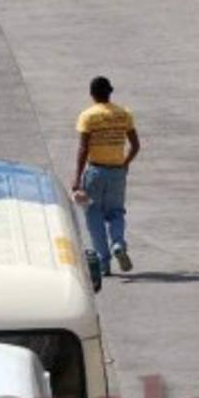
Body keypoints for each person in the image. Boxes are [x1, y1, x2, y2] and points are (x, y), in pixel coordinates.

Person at [73, 76, 140, 277]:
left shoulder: (88, 116)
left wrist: (77, 177)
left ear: (92, 94)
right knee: (116, 212)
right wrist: (125, 164)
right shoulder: (124, 114)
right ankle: (118, 243)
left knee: (94, 215)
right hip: (117, 172)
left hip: (95, 172)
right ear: (110, 92)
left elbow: (83, 148)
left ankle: (103, 261)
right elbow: (135, 146)